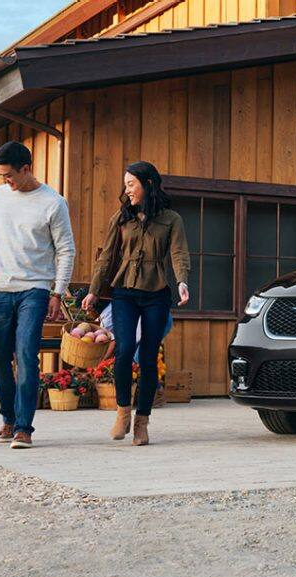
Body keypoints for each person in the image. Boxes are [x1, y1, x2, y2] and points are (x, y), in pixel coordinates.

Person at [0, 141, 75, 449]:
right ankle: (8, 418)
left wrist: (57, 292)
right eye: (0, 176)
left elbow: (66, 250)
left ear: (26, 169)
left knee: (25, 356)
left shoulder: (53, 203)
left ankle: (24, 427)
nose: (5, 182)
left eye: (9, 175)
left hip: (34, 291)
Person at [82, 161, 190, 446]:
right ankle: (122, 412)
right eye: (126, 184)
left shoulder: (171, 219)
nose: (127, 189)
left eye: (132, 183)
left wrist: (182, 281)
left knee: (148, 356)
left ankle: (142, 421)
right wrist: (93, 290)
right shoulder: (121, 217)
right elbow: (106, 256)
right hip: (124, 292)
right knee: (124, 349)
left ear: (148, 184)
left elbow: (179, 253)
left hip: (156, 293)